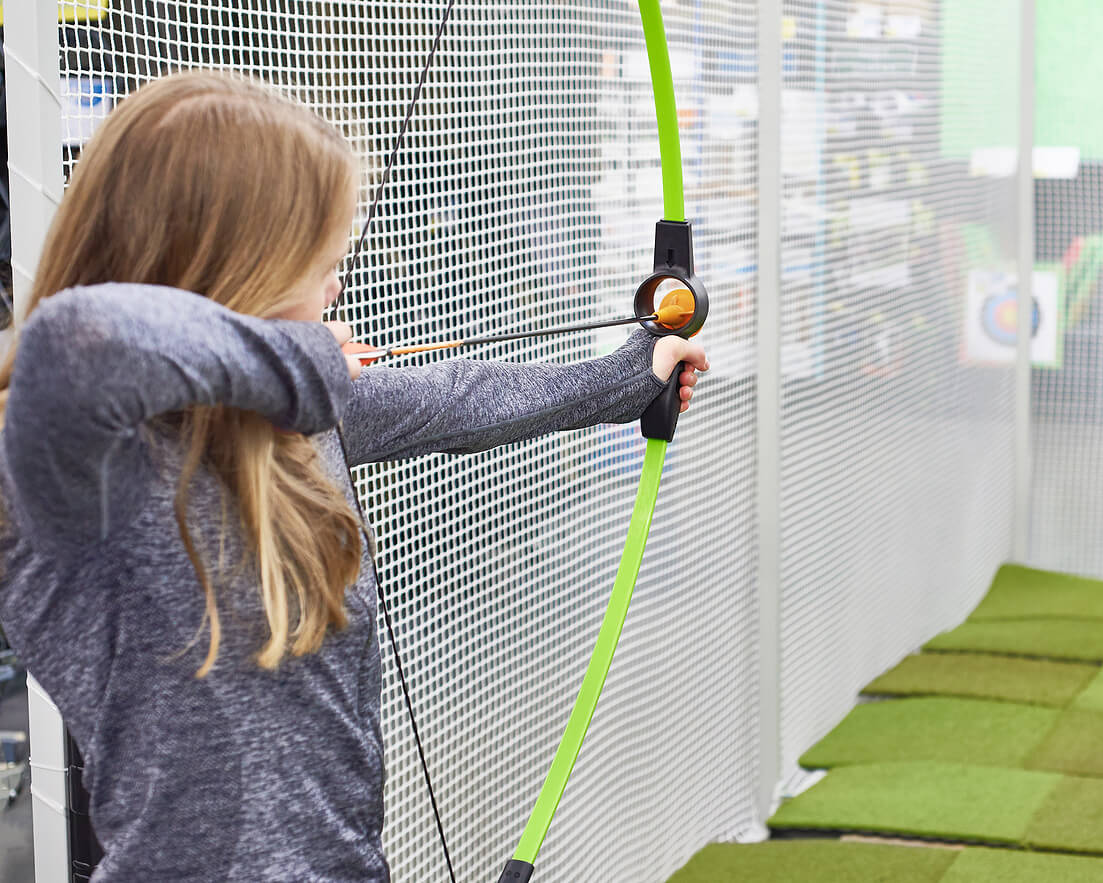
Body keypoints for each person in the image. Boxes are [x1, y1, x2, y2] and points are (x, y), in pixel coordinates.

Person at [0, 70, 708, 880]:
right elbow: (72, 337)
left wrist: (630, 375)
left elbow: (454, 400)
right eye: (319, 257)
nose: (337, 281)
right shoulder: (74, 467)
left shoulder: (287, 421)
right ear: (237, 258)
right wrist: (300, 364)